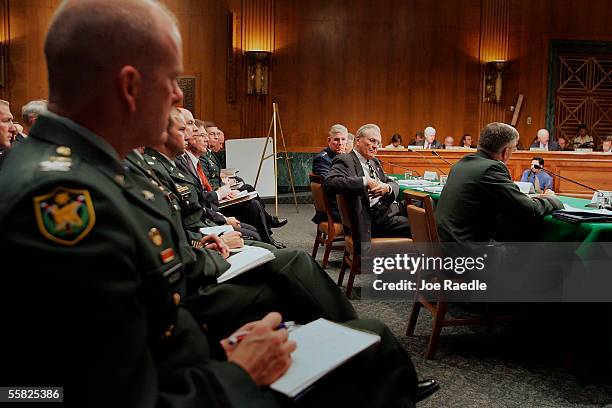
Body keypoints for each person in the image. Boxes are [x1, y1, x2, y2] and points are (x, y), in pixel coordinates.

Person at [0, 1, 438, 406]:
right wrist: (239, 372)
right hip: (193, 381)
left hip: (186, 344)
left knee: (368, 336)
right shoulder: (59, 203)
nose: (177, 98)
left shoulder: (95, 165)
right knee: (371, 353)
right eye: (172, 80)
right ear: (130, 85)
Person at [436, 122, 563, 242]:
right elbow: (529, 209)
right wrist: (552, 199)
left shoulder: (461, 163)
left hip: (445, 244)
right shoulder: (491, 168)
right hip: (468, 254)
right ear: (505, 151)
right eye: (513, 149)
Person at [325, 123, 411, 240]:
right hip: (374, 217)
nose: (376, 146)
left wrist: (387, 188)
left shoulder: (374, 161)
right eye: (372, 141)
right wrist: (364, 181)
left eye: (378, 143)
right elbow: (330, 183)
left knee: (425, 203)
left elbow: (391, 182)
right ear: (358, 140)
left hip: (389, 207)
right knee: (422, 225)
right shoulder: (345, 159)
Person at [312, 124, 348, 223]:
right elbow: (330, 184)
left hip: (345, 202)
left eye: (343, 139)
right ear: (329, 140)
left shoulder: (346, 157)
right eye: (336, 139)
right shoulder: (322, 159)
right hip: (335, 208)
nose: (340, 143)